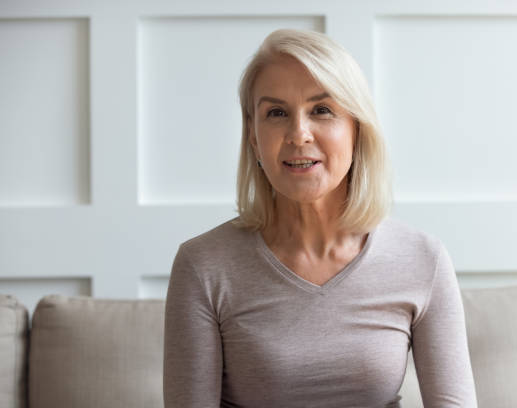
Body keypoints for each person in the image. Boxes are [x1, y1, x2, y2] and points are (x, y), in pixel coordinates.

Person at [163, 28, 477, 407]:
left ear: (356, 130)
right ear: (252, 136)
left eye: (321, 110)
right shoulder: (204, 265)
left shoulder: (423, 260)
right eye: (276, 113)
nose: (298, 134)